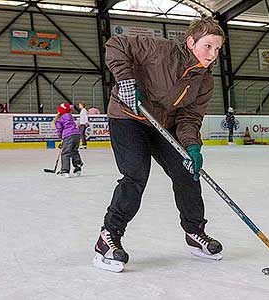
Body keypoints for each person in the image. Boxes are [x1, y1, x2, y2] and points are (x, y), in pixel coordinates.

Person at [93, 17, 225, 272]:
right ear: (191, 42)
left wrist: (192, 146)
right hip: (128, 117)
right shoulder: (160, 50)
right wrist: (126, 81)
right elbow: (116, 44)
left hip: (163, 125)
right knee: (135, 174)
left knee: (187, 173)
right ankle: (107, 238)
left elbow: (189, 117)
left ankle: (194, 232)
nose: (213, 54)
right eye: (208, 46)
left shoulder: (205, 81)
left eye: (217, 49)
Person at [54, 102, 83, 177]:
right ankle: (77, 167)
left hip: (68, 135)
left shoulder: (59, 119)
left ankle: (65, 170)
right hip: (76, 135)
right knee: (74, 151)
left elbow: (59, 129)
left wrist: (61, 137)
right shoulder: (70, 116)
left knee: (65, 153)